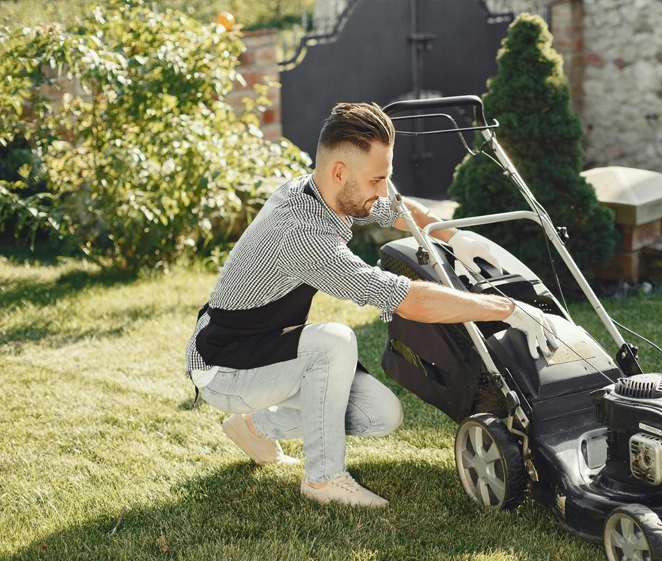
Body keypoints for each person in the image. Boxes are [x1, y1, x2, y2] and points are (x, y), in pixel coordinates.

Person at [185, 102, 557, 508]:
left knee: (381, 414)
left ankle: (253, 427)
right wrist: (508, 309)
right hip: (226, 367)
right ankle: (323, 480)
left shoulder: (323, 191)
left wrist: (451, 235)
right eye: (377, 180)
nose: (383, 190)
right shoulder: (301, 234)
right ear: (339, 172)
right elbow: (407, 299)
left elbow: (396, 210)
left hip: (270, 346)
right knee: (333, 342)